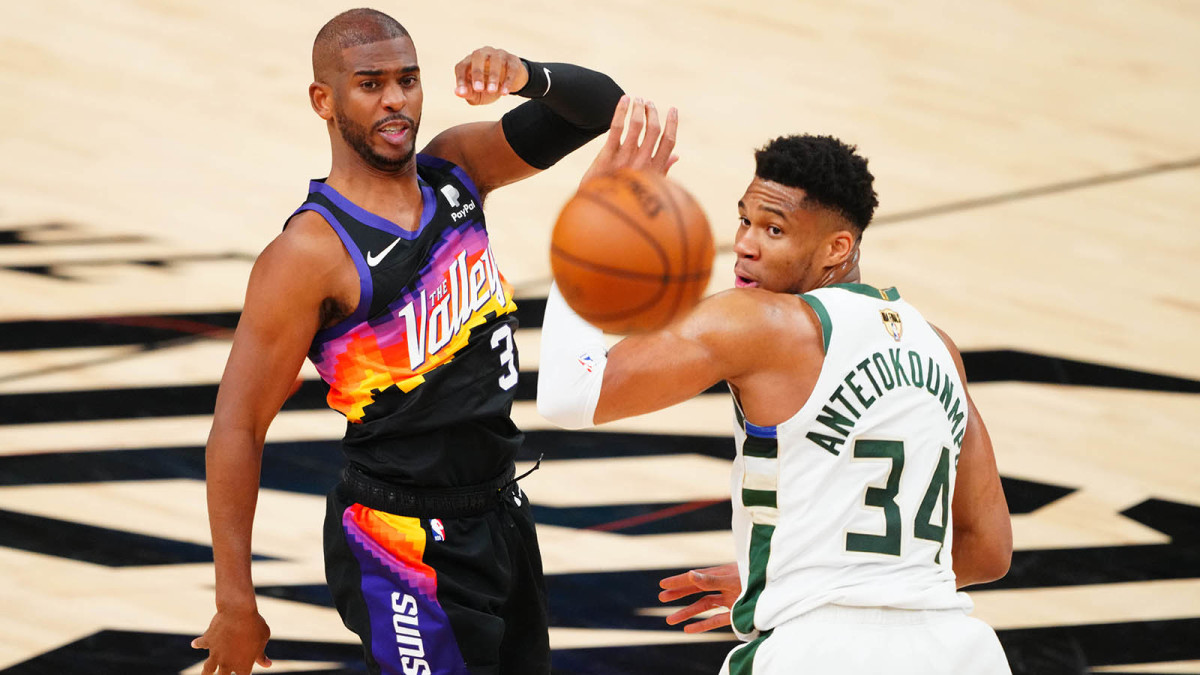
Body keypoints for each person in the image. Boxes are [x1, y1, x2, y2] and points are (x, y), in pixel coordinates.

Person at [190, 7, 644, 675]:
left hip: (498, 511)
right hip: (399, 540)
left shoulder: (455, 168)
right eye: (370, 84)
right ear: (324, 100)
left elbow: (601, 108)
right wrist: (236, 600)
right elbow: (236, 427)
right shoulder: (307, 254)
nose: (396, 101)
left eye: (408, 80)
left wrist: (529, 76)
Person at [537, 132, 1013, 674]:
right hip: (957, 654)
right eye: (744, 220)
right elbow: (988, 548)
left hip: (820, 655)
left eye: (774, 230)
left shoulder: (758, 322)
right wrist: (810, 567)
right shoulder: (939, 346)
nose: (745, 244)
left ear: (838, 248)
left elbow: (569, 394)